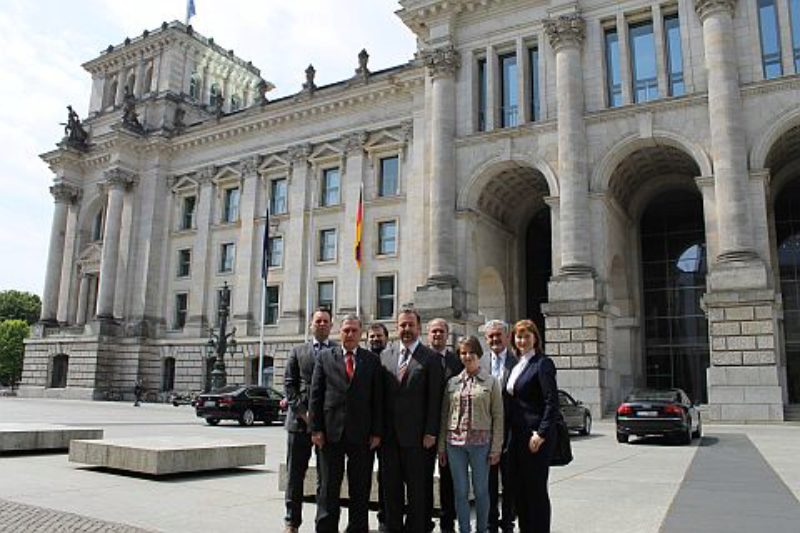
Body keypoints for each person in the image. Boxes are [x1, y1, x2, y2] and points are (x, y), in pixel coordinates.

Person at [310, 315, 383, 533]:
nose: (349, 334)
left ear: (361, 334)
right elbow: (316, 395)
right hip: (330, 433)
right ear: (339, 332)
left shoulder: (371, 360)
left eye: (354, 330)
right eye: (346, 330)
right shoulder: (325, 357)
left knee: (360, 487)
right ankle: (326, 527)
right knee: (328, 487)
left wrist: (377, 432)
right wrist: (316, 429)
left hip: (362, 435)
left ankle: (357, 528)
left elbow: (377, 399)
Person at [380, 308, 443, 533]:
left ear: (419, 328)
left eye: (410, 325)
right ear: (397, 328)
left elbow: (435, 398)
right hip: (389, 439)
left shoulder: (431, 358)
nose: (406, 330)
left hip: (418, 439)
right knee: (391, 490)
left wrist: (431, 432)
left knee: (418, 492)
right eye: (402, 325)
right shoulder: (385, 356)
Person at [438, 336, 503, 533]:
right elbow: (444, 416)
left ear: (478, 355)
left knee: (482, 491)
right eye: (463, 353)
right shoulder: (452, 383)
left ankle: (482, 529)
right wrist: (441, 447)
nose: (467, 356)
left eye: (471, 353)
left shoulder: (491, 382)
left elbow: (498, 416)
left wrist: (496, 448)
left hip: (481, 444)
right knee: (460, 491)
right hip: (455, 444)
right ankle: (464, 529)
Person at [283, 308, 337, 533]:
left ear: (331, 325)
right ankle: (291, 522)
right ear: (311, 325)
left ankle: (323, 525)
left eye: (326, 321)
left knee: (325, 479)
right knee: (295, 476)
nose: (322, 324)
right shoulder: (298, 351)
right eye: (318, 321)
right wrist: (305, 415)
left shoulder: (337, 351)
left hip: (327, 427)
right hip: (299, 425)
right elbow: (289, 386)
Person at [506, 320, 559, 533]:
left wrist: (542, 433)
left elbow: (551, 401)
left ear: (535, 338)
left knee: (536, 491)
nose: (522, 340)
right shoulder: (517, 364)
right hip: (517, 436)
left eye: (527, 336)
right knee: (521, 491)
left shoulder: (542, 363)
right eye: (519, 337)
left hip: (535, 437)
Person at [480, 320, 518, 533]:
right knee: (489, 481)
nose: (495, 339)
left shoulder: (518, 361)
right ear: (486, 339)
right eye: (491, 336)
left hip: (511, 431)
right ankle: (491, 522)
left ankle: (508, 521)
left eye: (498, 335)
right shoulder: (481, 361)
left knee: (510, 479)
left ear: (507, 336)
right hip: (485, 431)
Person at [426, 318, 463, 533]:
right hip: (424, 431)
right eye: (434, 332)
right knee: (421, 478)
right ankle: (424, 520)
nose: (437, 335)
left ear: (447, 335)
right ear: (428, 334)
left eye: (441, 331)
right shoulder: (420, 358)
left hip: (449, 430)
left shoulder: (456, 362)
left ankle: (448, 524)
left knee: (448, 481)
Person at [367, 321, 390, 531]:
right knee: (361, 477)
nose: (375, 340)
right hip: (364, 430)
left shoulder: (391, 360)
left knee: (386, 478)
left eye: (379, 336)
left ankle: (385, 519)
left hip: (388, 430)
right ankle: (359, 520)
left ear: (387, 338)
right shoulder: (362, 359)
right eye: (372, 337)